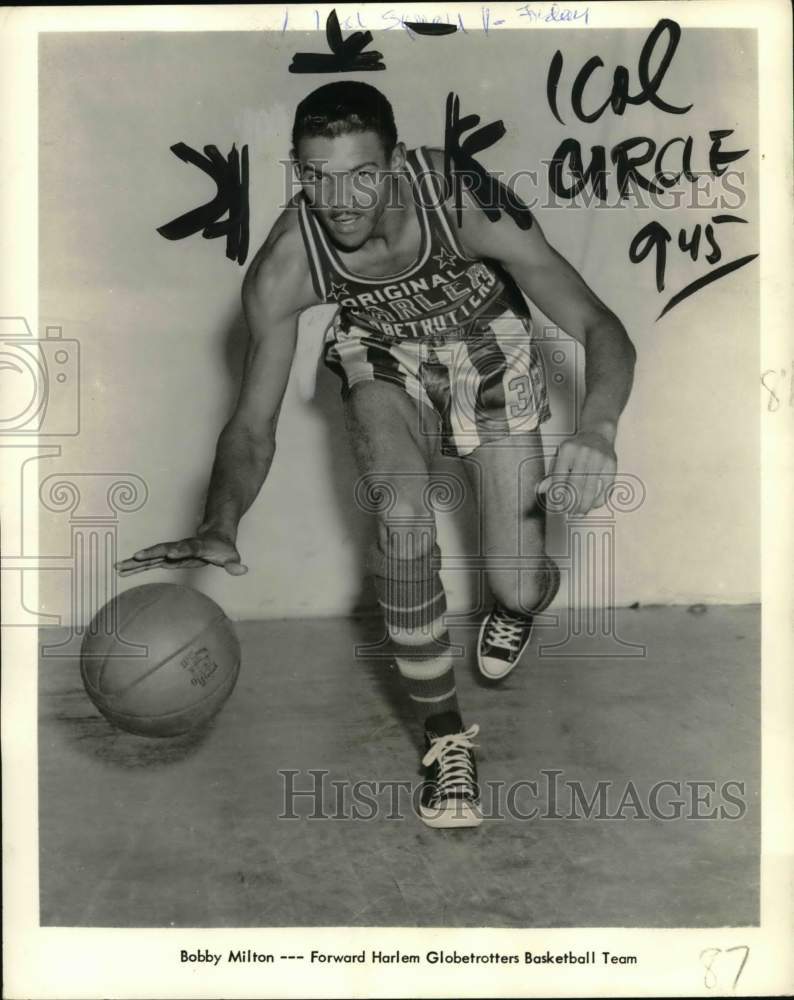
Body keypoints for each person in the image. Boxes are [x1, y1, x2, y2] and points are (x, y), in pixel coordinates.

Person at [117, 81, 635, 829]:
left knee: (517, 582)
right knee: (400, 515)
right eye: (317, 177)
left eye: (362, 173)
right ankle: (444, 739)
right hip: (380, 353)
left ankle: (518, 603)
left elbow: (595, 319)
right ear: (298, 171)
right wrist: (220, 521)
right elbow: (252, 425)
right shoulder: (286, 265)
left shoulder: (461, 201)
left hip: (489, 346)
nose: (341, 199)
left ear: (395, 163)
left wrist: (600, 427)